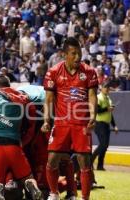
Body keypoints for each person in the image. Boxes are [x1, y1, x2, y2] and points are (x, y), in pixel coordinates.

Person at [41, 37, 98, 200]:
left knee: (84, 163)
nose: (78, 57)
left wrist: (92, 116)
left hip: (81, 124)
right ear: (65, 54)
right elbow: (49, 99)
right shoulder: (53, 72)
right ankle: (54, 193)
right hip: (61, 123)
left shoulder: (89, 72)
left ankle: (85, 197)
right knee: (52, 159)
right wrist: (46, 121)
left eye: (79, 53)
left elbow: (92, 96)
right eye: (73, 54)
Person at [92, 81, 118, 171]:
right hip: (99, 124)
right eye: (105, 87)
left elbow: (110, 114)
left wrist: (114, 125)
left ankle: (100, 165)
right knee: (103, 145)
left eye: (108, 87)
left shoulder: (108, 98)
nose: (107, 89)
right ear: (101, 88)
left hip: (106, 125)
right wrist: (107, 109)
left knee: (105, 146)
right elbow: (97, 110)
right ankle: (90, 161)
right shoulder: (99, 97)